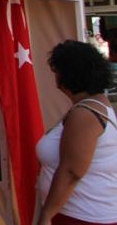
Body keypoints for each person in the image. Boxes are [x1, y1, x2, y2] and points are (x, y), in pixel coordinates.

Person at [36, 40, 117, 225]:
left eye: (56, 70)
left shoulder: (84, 114)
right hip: (83, 212)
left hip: (83, 215)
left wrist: (47, 214)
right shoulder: (93, 104)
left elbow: (72, 171)